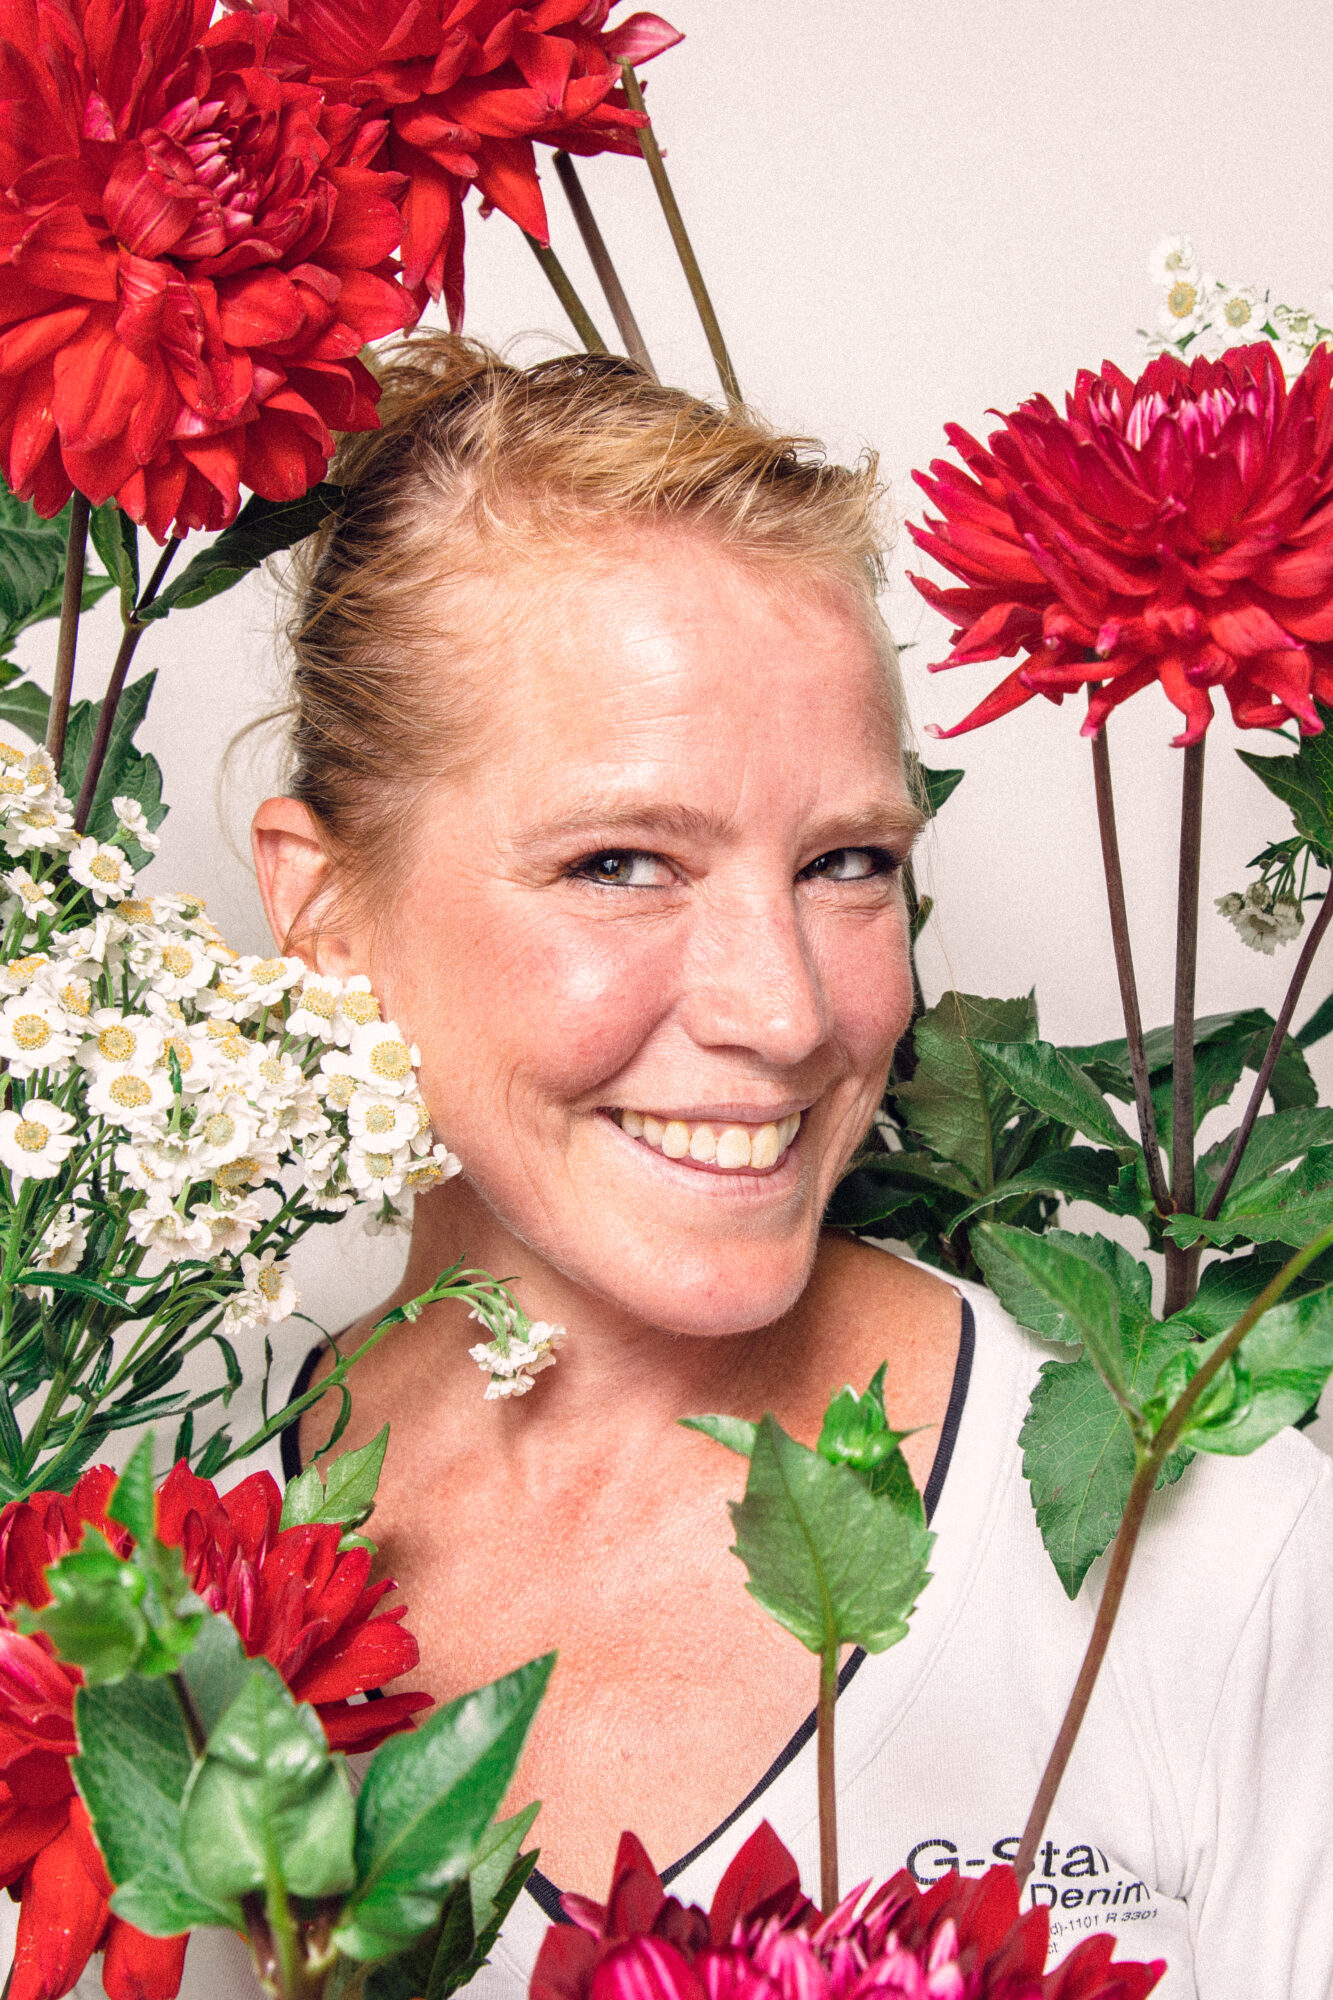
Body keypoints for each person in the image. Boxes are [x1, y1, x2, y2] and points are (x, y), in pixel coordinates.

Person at [190, 336, 1333, 2000]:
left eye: (846, 862)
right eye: (620, 862)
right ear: (321, 910)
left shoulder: (1226, 1556)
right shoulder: (135, 1556)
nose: (788, 1014)